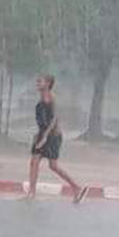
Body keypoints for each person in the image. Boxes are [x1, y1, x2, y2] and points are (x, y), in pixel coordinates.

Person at [26, 74, 88, 204]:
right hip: (42, 134)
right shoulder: (41, 98)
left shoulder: (51, 97)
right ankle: (31, 192)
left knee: (53, 166)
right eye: (37, 81)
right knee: (34, 161)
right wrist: (38, 135)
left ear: (48, 84)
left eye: (40, 81)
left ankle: (77, 187)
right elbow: (42, 119)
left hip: (53, 136)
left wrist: (45, 136)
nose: (37, 83)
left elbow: (54, 119)